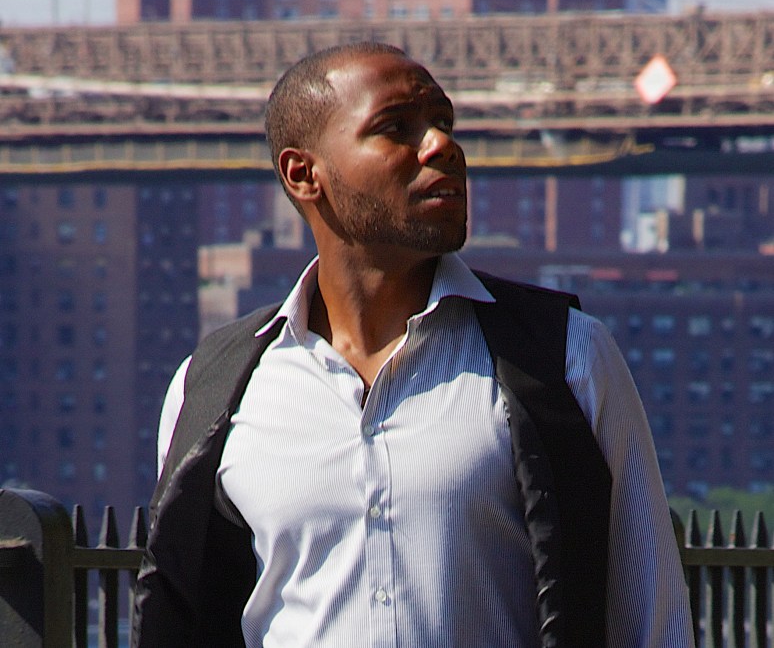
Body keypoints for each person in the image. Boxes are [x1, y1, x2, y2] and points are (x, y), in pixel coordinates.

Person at [132, 42, 694, 647]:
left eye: (444, 123)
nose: (441, 146)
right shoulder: (213, 386)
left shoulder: (567, 358)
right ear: (304, 174)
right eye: (396, 128)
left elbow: (650, 622)